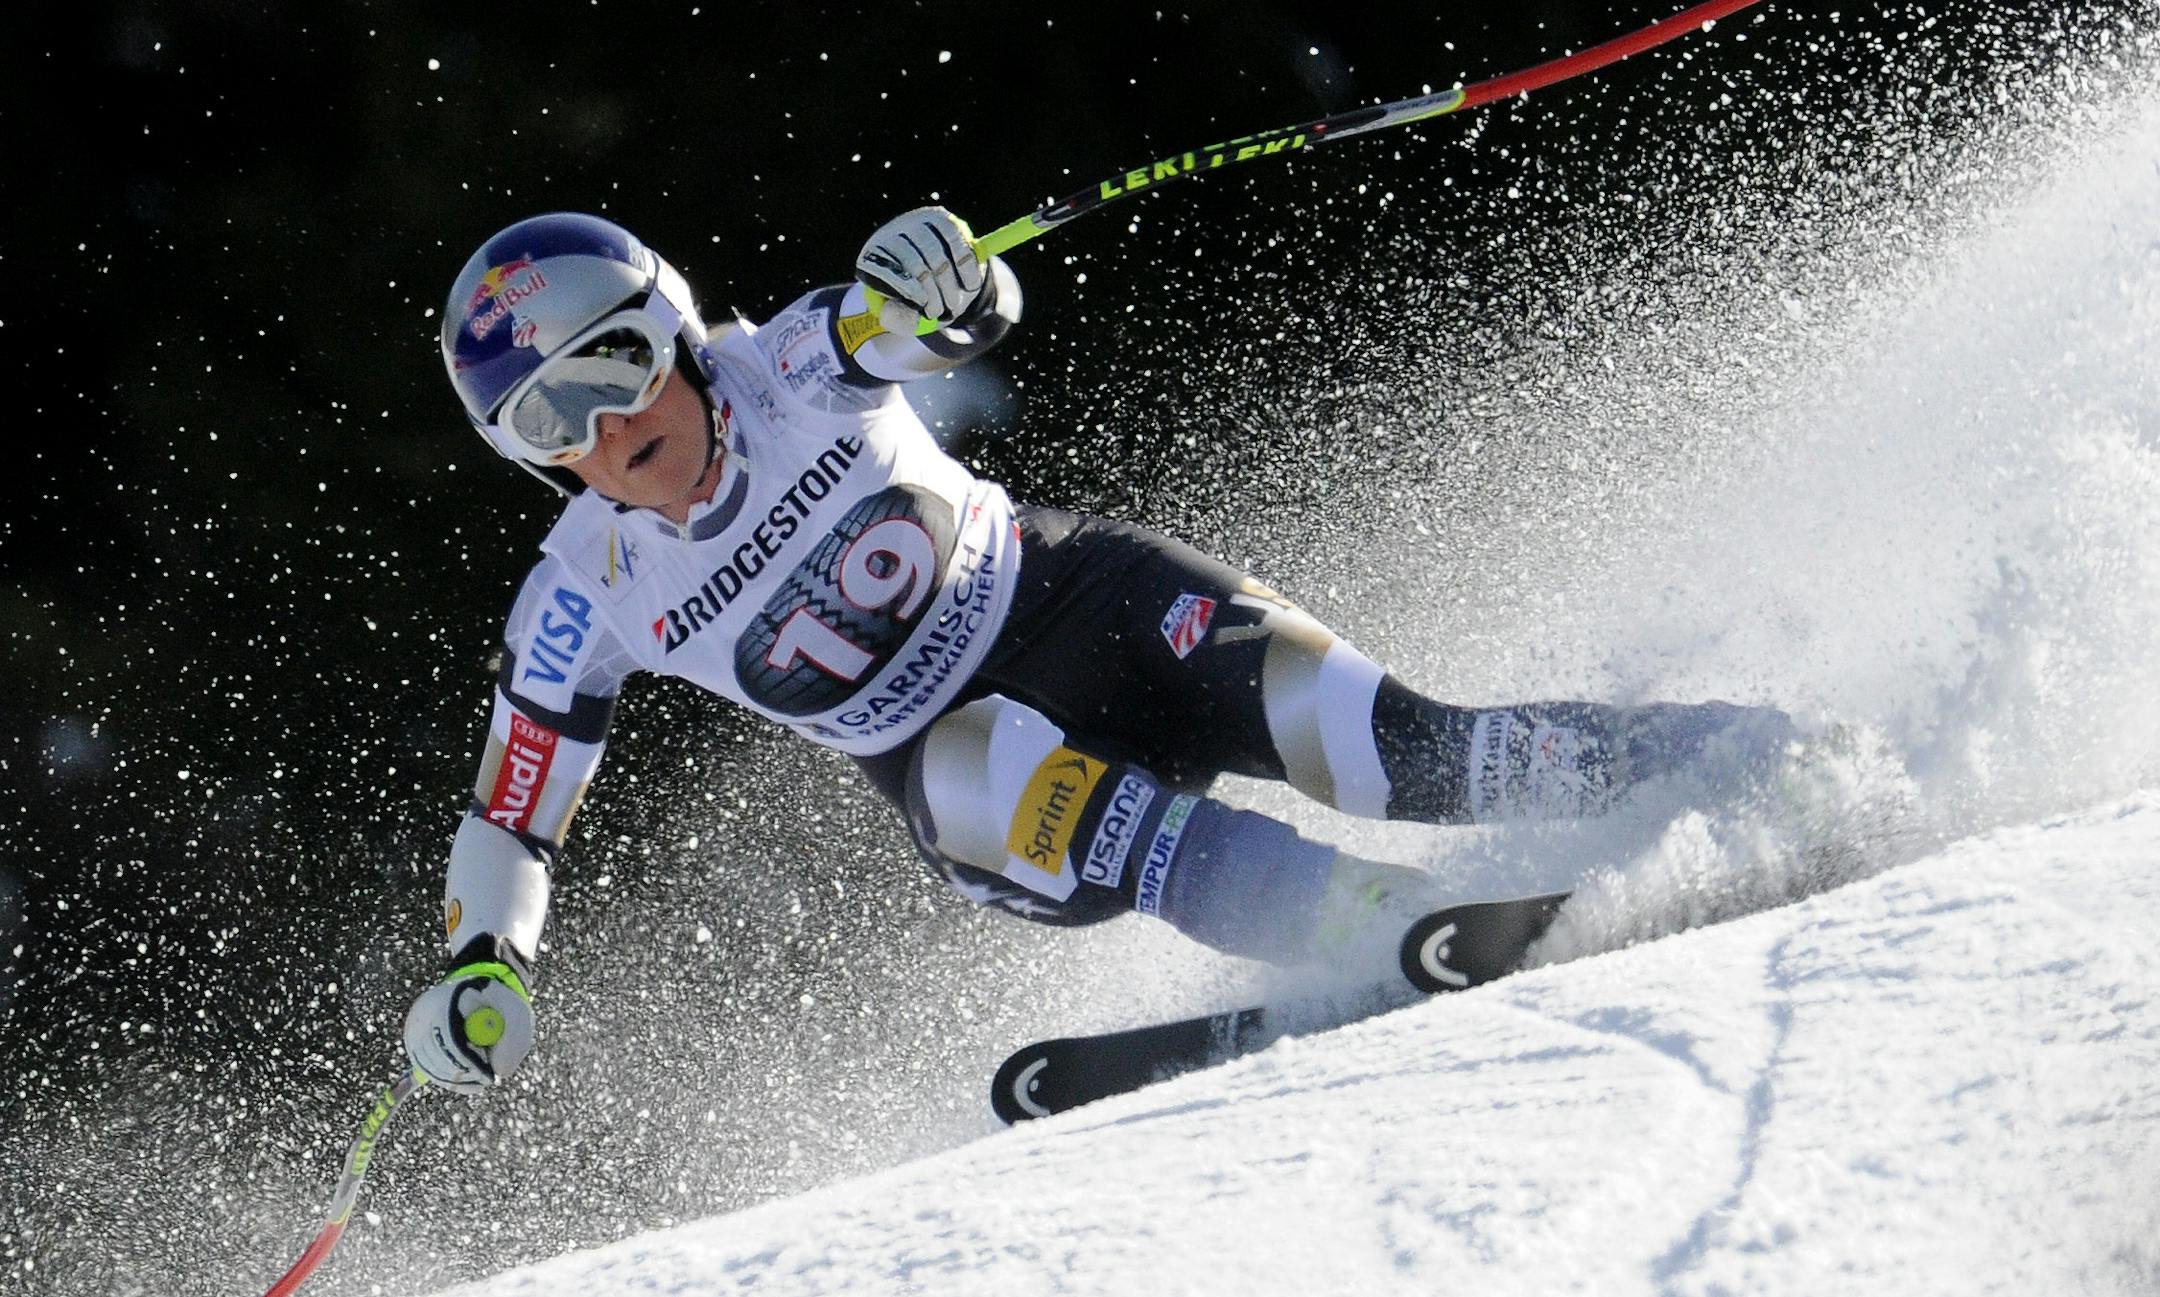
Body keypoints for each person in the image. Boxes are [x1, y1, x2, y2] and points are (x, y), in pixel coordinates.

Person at [403, 209, 1794, 1093]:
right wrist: (485, 961)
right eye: (548, 424)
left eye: (616, 365)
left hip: (1093, 605)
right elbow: (513, 813)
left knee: (1393, 746)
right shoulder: (584, 592)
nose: (604, 433)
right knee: (986, 765)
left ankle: (1742, 755)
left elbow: (945, 313)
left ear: (680, 325)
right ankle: (1366, 927)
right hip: (974, 783)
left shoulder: (795, 363)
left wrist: (947, 270)